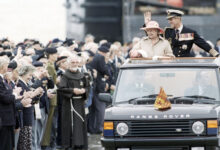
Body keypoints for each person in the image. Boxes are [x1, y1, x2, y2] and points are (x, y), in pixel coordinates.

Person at [57, 55, 90, 149]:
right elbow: (61, 89)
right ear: (68, 63)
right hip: (69, 103)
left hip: (80, 103)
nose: (75, 64)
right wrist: (72, 91)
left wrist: (84, 91)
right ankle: (69, 145)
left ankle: (80, 144)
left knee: (79, 123)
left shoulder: (82, 75)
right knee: (70, 124)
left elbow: (87, 87)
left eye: (76, 62)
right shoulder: (65, 76)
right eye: (72, 62)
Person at [0, 56, 21, 150]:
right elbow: (5, 98)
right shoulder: (1, 80)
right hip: (3, 119)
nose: (7, 68)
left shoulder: (2, 80)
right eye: (6, 65)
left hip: (7, 119)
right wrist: (14, 94)